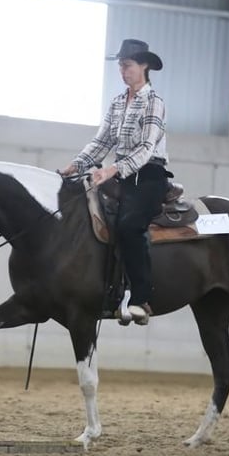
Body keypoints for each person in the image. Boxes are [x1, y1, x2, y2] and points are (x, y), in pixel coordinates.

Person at [61, 39, 169, 326]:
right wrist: (77, 164)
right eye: (120, 66)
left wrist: (112, 170)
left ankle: (140, 298)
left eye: (128, 65)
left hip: (148, 175)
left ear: (144, 66)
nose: (123, 71)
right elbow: (102, 141)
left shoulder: (154, 102)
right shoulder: (118, 102)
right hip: (120, 174)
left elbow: (147, 148)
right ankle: (106, 290)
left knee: (130, 225)